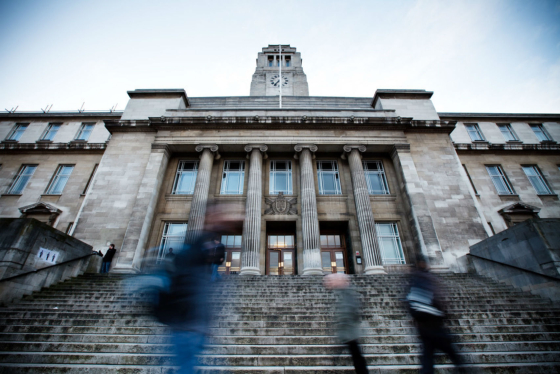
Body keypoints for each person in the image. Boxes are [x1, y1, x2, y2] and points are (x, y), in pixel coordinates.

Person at [407, 255, 464, 374]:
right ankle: (463, 369)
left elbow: (408, 299)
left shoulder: (413, 278)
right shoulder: (426, 277)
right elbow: (438, 296)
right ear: (422, 263)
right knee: (449, 352)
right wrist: (443, 313)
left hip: (424, 324)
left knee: (428, 356)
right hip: (433, 322)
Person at [324, 273, 369, 374]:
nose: (328, 283)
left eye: (330, 281)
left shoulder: (347, 292)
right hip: (349, 331)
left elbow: (350, 310)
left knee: (357, 357)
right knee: (356, 356)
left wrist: (344, 324)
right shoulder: (343, 292)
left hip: (350, 331)